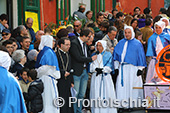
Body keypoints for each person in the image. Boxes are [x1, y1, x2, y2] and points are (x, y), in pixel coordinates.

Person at [113, 26, 146, 109]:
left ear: (132, 33)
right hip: (123, 68)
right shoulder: (120, 43)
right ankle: (122, 104)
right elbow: (116, 56)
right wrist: (116, 67)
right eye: (125, 32)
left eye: (129, 32)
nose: (127, 34)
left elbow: (141, 56)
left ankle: (133, 104)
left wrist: (140, 69)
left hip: (133, 69)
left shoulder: (137, 44)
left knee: (132, 85)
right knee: (122, 86)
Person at [69, 28, 97, 113]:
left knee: (81, 94)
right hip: (77, 72)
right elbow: (78, 57)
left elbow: (84, 54)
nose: (89, 38)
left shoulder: (85, 44)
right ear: (83, 36)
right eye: (88, 36)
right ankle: (74, 111)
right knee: (76, 94)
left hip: (84, 71)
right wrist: (90, 59)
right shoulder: (74, 43)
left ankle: (79, 110)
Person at [35, 27, 60, 113]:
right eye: (52, 41)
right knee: (50, 99)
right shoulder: (49, 52)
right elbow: (48, 67)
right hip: (48, 79)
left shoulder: (42, 51)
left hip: (43, 78)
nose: (54, 43)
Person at [89, 40, 117, 113]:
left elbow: (110, 65)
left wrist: (103, 70)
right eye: (97, 45)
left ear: (104, 46)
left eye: (100, 45)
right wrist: (95, 69)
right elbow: (91, 65)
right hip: (96, 77)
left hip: (105, 77)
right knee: (96, 93)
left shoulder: (108, 54)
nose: (98, 47)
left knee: (107, 93)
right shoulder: (93, 55)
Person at [56, 38, 73, 113]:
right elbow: (56, 68)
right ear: (61, 45)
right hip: (60, 80)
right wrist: (63, 73)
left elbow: (70, 67)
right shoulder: (56, 54)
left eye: (69, 45)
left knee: (68, 99)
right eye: (67, 45)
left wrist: (71, 81)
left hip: (67, 80)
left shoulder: (68, 54)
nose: (68, 46)